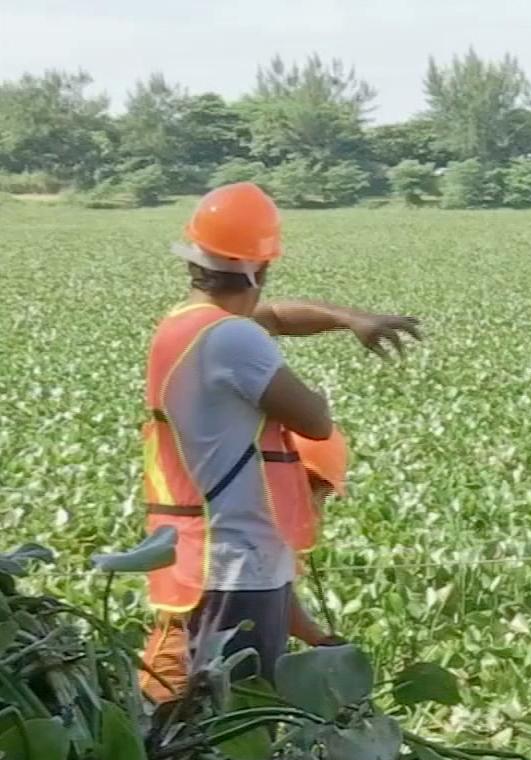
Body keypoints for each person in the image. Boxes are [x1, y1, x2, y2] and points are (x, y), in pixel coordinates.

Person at [141, 182, 419, 689]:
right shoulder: (232, 337)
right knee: (236, 723)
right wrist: (320, 393)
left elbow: (273, 316)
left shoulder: (185, 326)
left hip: (200, 556)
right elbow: (315, 420)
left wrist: (348, 318)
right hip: (235, 566)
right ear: (261, 268)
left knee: (189, 717)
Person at [141, 427, 351, 704]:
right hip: (184, 681)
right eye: (313, 490)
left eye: (321, 494)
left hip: (245, 682)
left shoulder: (272, 532)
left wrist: (318, 638)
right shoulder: (220, 536)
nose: (314, 505)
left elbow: (280, 596)